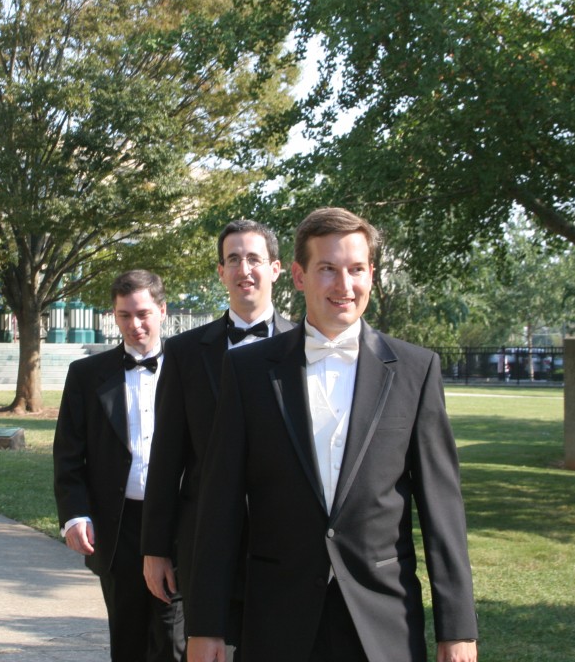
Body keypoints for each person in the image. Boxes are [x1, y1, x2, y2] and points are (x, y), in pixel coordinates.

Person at [186, 208, 478, 662]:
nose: (344, 285)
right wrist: (207, 625)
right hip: (277, 619)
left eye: (356, 269)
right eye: (327, 269)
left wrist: (457, 629)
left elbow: (443, 512)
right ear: (298, 276)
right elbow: (219, 506)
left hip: (383, 622)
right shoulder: (247, 371)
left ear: (371, 275)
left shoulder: (416, 370)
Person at [141, 220, 294, 658]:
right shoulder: (186, 352)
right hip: (206, 543)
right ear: (221, 272)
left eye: (254, 259)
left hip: (285, 540)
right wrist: (155, 549)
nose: (244, 269)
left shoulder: (305, 347)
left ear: (276, 268)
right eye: (233, 259)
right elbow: (166, 456)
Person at [53, 270, 184, 661]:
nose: (134, 324)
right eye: (124, 315)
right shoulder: (86, 374)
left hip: (177, 522)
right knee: (127, 638)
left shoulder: (190, 367)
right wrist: (74, 514)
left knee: (172, 638)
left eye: (143, 314)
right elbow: (68, 453)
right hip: (118, 525)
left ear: (163, 311)